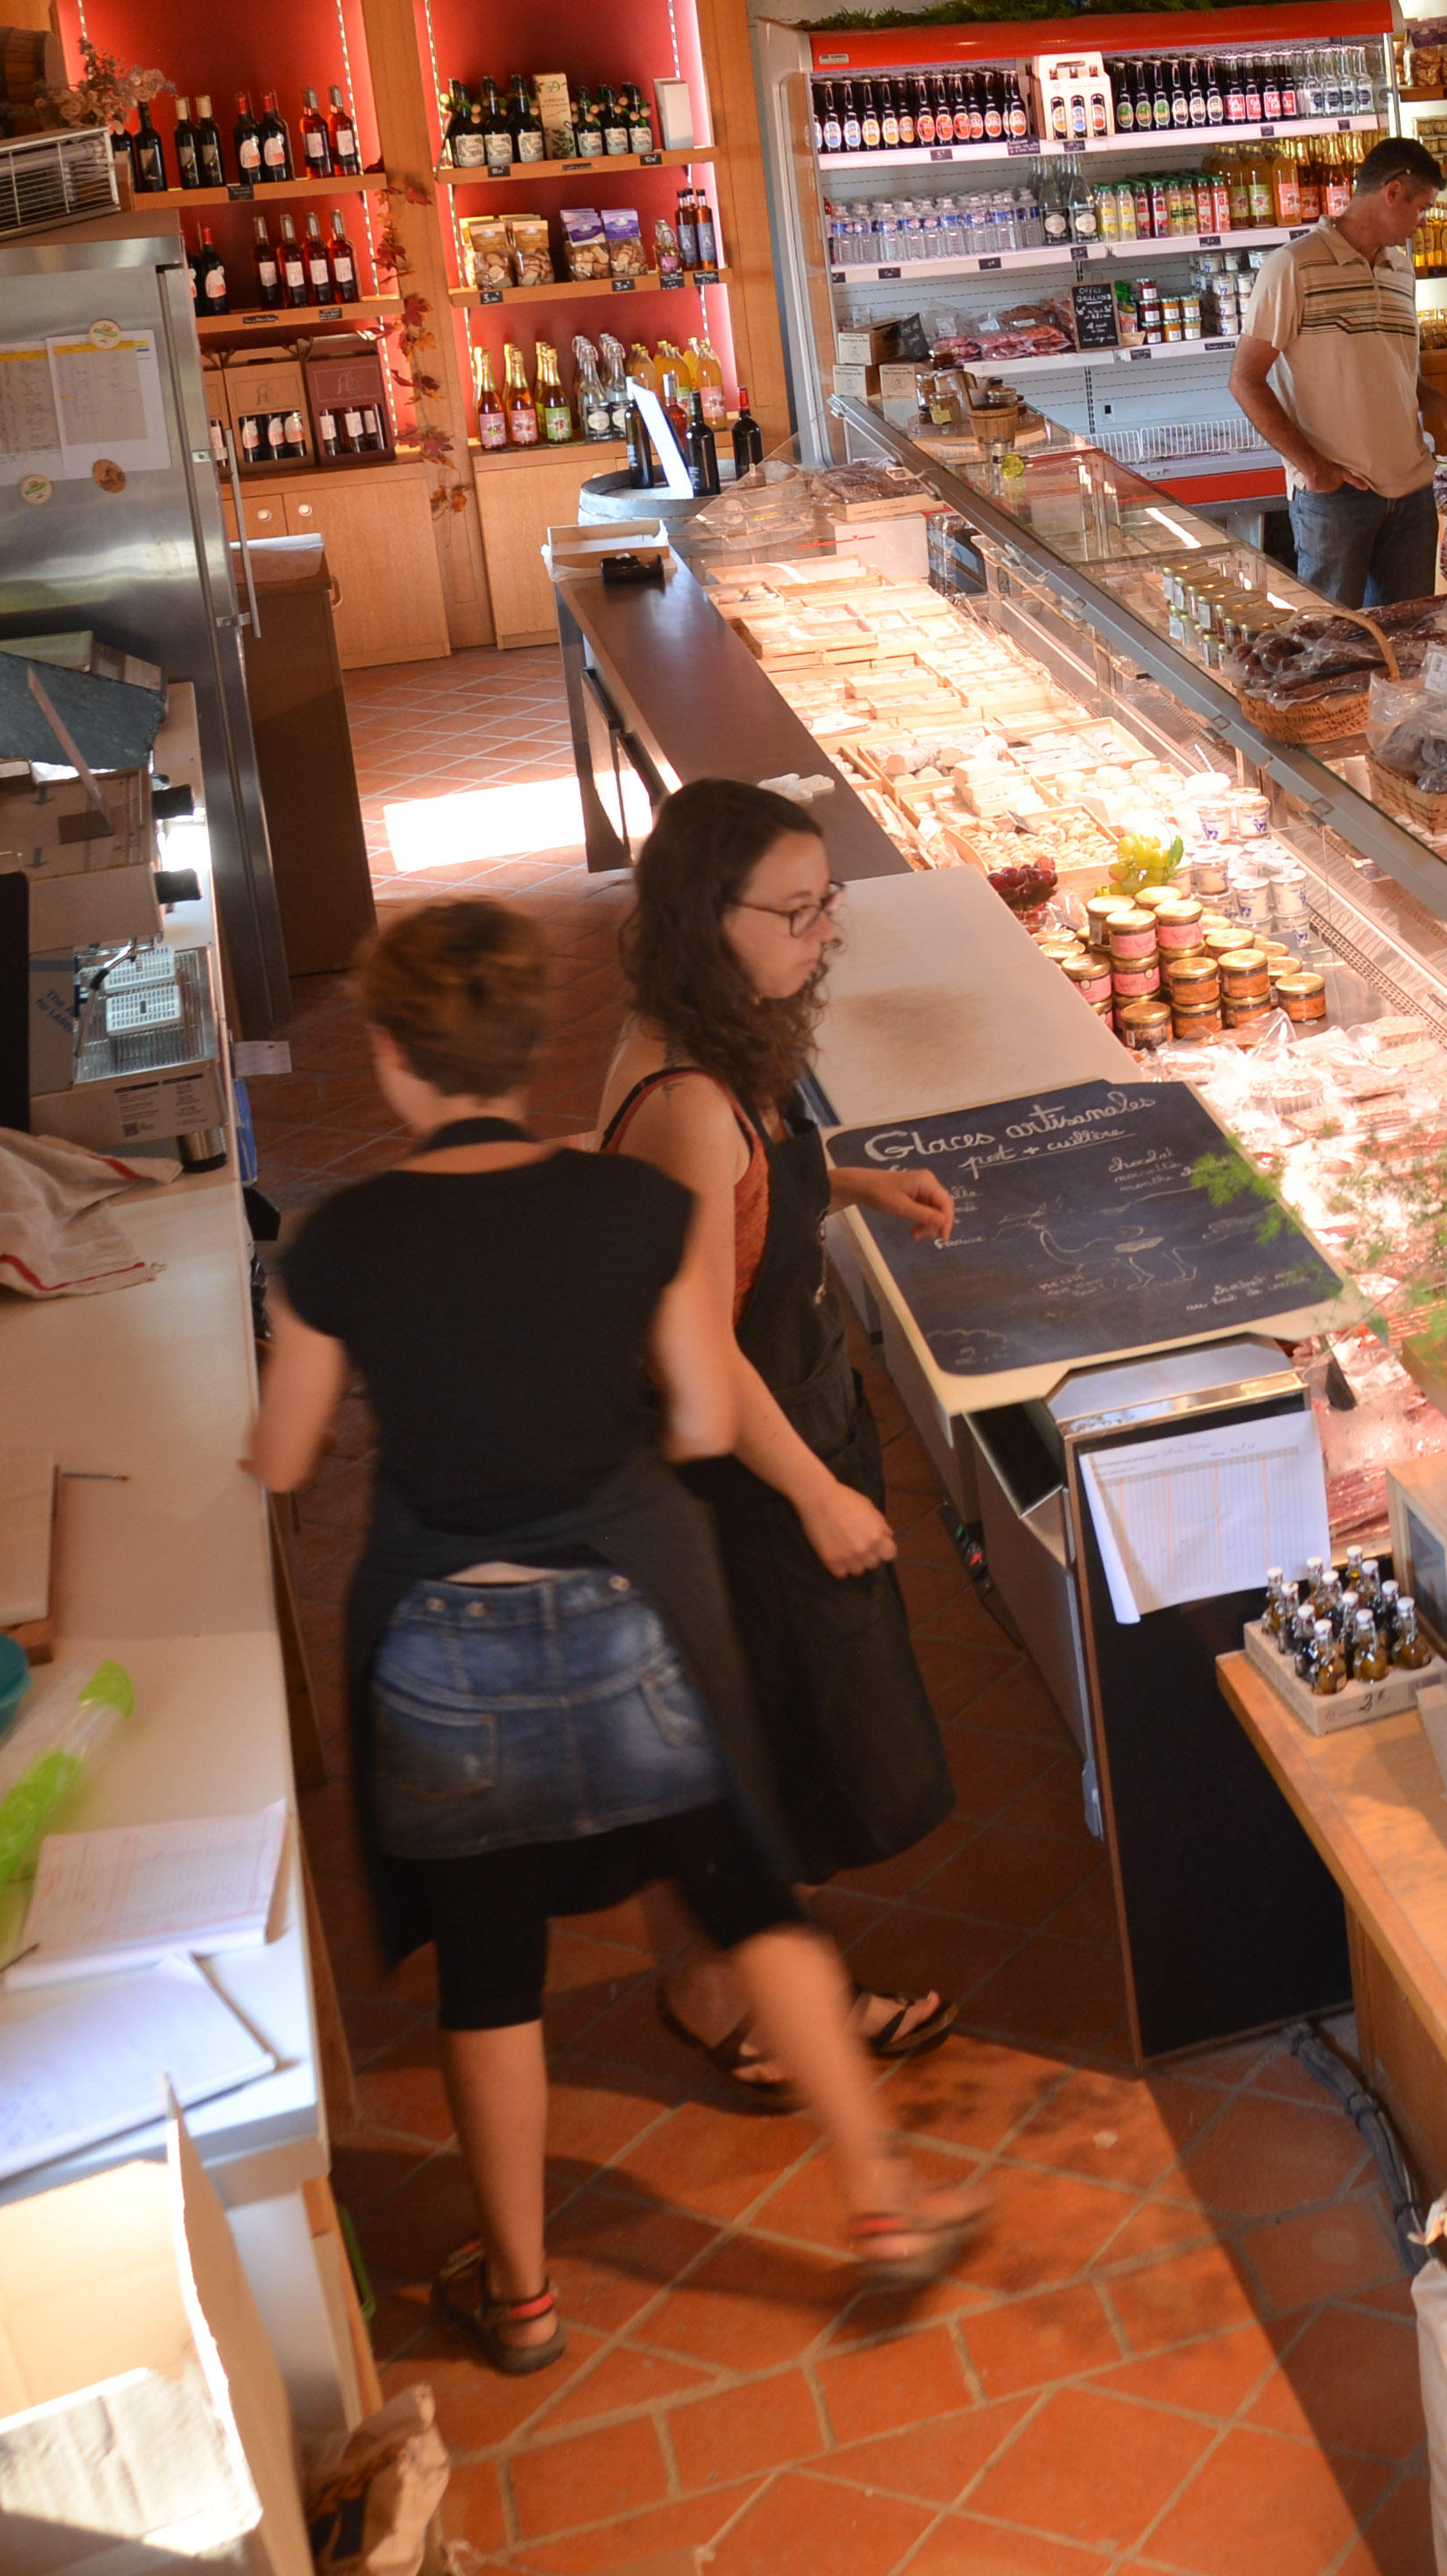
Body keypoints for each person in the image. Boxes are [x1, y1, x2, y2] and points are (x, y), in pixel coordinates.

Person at [245, 904, 974, 2371]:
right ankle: (887, 2210)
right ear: (527, 1053)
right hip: (632, 1617)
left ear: (389, 1059)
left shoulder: (342, 1243)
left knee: (489, 1973)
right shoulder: (631, 1211)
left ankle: (520, 2295)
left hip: (441, 1649)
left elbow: (283, 1458)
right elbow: (700, 1417)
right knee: (755, 1904)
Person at [594, 780, 968, 2107]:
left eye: (828, 905)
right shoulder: (689, 1100)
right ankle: (745, 1997)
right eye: (795, 912)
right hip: (742, 1475)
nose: (823, 934)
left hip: (774, 1430)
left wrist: (850, 1182)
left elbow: (749, 1193)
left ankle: (725, 1979)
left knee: (762, 1732)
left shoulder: (690, 1034)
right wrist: (814, 1493)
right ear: (711, 916)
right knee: (780, 1735)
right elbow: (699, 1344)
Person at [1232, 137, 1447, 609]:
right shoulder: (1293, 267)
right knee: (1334, 641)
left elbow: (1391, 368)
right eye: (1422, 208)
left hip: (1412, 493)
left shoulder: (1400, 270)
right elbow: (1245, 380)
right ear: (1393, 192)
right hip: (1336, 498)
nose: (1423, 223)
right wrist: (1313, 468)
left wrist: (1439, 402)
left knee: (1411, 638)